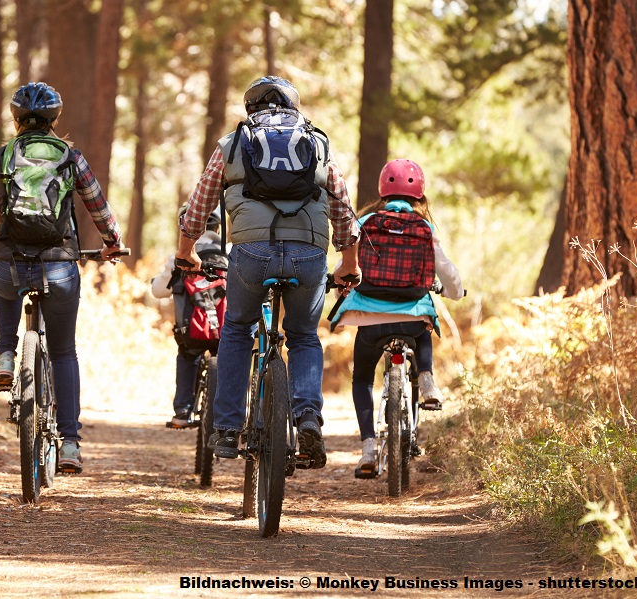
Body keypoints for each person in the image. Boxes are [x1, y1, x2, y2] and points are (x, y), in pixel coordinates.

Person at [176, 75, 361, 469]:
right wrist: (349, 262)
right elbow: (343, 208)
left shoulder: (233, 143)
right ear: (294, 107)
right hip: (309, 255)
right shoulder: (318, 142)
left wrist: (186, 253)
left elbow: (198, 207)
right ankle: (308, 416)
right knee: (304, 336)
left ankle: (226, 429)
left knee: (237, 329)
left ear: (250, 109)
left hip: (251, 253)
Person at [0, 82, 124, 472]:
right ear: (54, 120)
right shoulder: (71, 157)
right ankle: (69, 444)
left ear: (15, 118)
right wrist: (112, 242)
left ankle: (5, 353)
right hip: (59, 265)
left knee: (4, 277)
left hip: (9, 262)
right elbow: (97, 206)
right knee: (64, 351)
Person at [330, 159, 464, 474]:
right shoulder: (425, 227)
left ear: (382, 190)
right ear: (419, 194)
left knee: (362, 378)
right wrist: (456, 293)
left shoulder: (365, 222)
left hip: (370, 317)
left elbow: (346, 266)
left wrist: (339, 285)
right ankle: (427, 379)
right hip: (411, 314)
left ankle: (366, 450)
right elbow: (448, 273)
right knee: (423, 327)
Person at [151, 204, 226, 428]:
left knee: (187, 356)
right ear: (218, 227)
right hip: (226, 330)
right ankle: (230, 416)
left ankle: (183, 410)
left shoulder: (178, 258)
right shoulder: (230, 252)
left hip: (190, 331)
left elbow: (158, 291)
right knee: (230, 359)